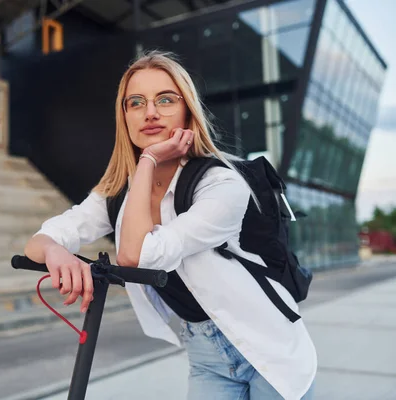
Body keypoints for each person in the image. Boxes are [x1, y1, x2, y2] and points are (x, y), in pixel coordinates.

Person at [23, 50, 317, 399]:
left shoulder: (221, 184)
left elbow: (136, 255)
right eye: (136, 102)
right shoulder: (118, 193)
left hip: (270, 350)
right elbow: (42, 240)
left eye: (165, 99)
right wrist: (57, 253)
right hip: (206, 355)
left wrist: (147, 159)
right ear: (125, 117)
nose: (150, 112)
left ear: (187, 110)